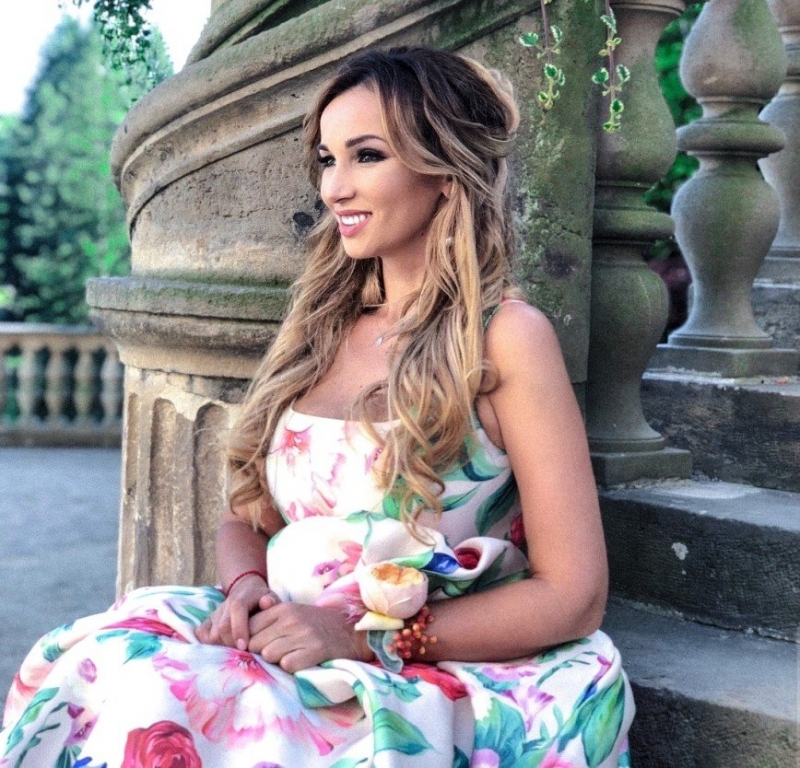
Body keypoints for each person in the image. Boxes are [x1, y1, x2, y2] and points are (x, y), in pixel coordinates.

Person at [0, 46, 634, 767]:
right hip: (282, 641)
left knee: (166, 711)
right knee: (101, 668)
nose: (335, 186)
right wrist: (245, 590)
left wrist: (364, 638)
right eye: (328, 159)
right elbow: (247, 515)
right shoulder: (322, 328)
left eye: (367, 155)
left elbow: (573, 594)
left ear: (446, 171)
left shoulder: (505, 337)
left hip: (419, 667)